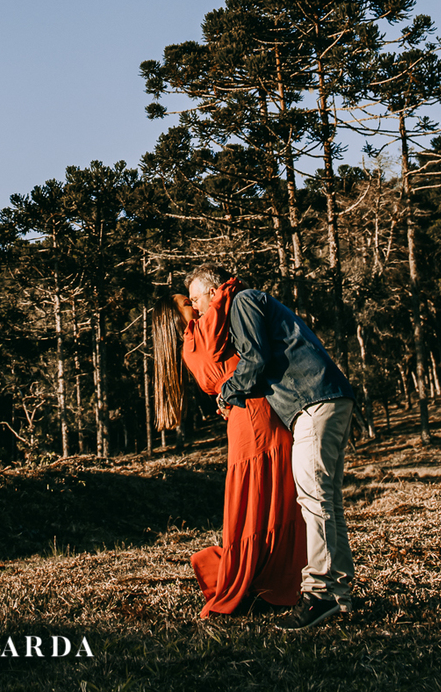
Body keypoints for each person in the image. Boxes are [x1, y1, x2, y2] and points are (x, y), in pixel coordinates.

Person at [186, 262, 356, 630]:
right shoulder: (255, 301)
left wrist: (227, 393)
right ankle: (338, 595)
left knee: (315, 500)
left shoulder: (243, 302)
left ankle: (320, 594)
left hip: (312, 402)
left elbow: (255, 359)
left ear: (215, 292)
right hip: (330, 399)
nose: (196, 310)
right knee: (327, 500)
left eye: (197, 300)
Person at [149, 280, 305, 619]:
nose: (194, 304)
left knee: (258, 502)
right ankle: (273, 578)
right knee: (274, 498)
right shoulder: (199, 333)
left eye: (192, 299)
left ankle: (263, 577)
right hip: (257, 418)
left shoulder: (190, 348)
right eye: (186, 302)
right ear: (177, 317)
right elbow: (221, 302)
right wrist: (224, 284)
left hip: (244, 422)